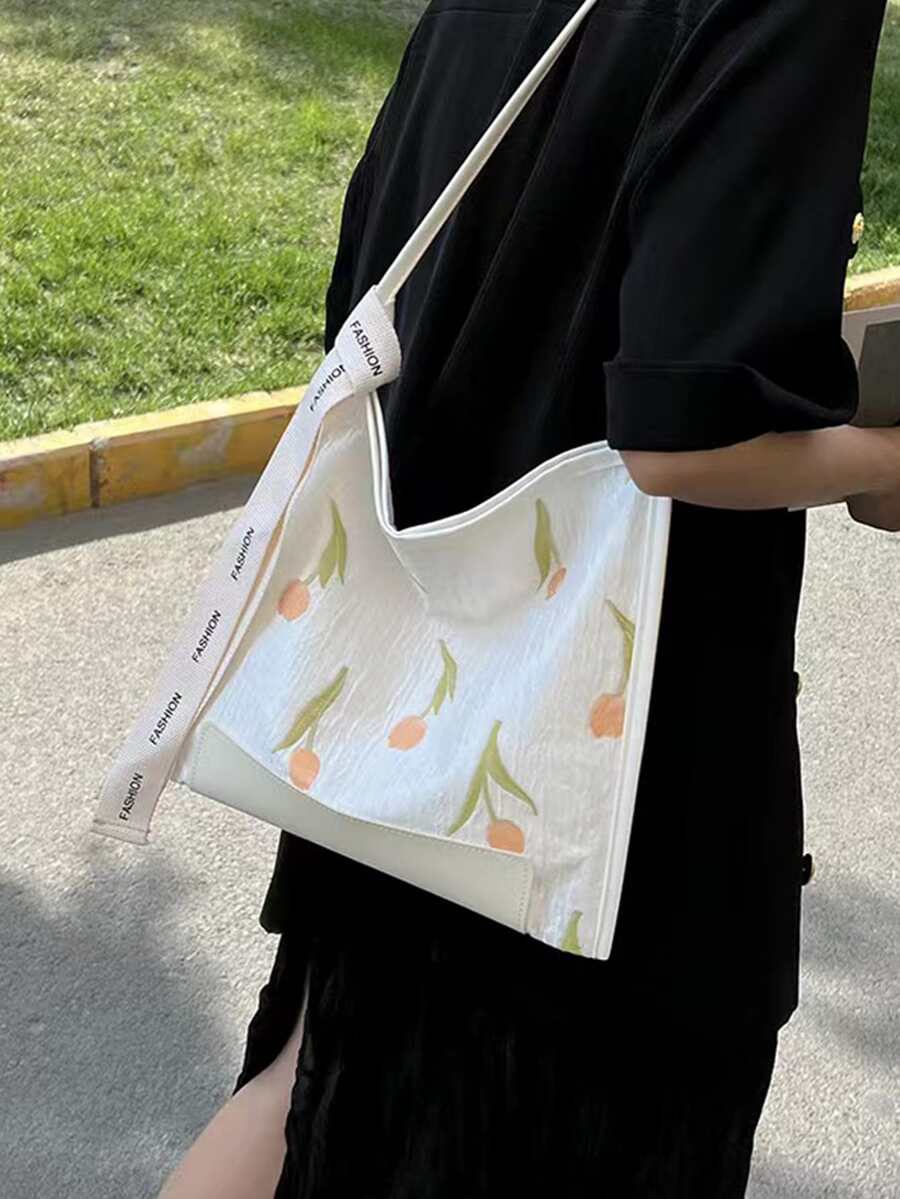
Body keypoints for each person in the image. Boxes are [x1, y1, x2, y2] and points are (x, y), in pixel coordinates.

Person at [158, 1, 897, 1195]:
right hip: (602, 775)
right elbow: (685, 432)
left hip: (402, 692)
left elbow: (380, 270)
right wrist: (885, 462)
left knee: (308, 1087)